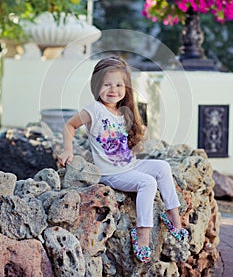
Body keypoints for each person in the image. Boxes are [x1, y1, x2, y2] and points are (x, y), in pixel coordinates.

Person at [58, 56, 188, 263]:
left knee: (162, 167)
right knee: (148, 182)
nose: (113, 89)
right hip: (112, 174)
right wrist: (68, 150)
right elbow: (69, 126)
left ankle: (174, 218)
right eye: (106, 84)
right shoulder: (94, 110)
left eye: (119, 84)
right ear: (96, 85)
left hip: (131, 166)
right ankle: (142, 235)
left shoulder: (122, 111)